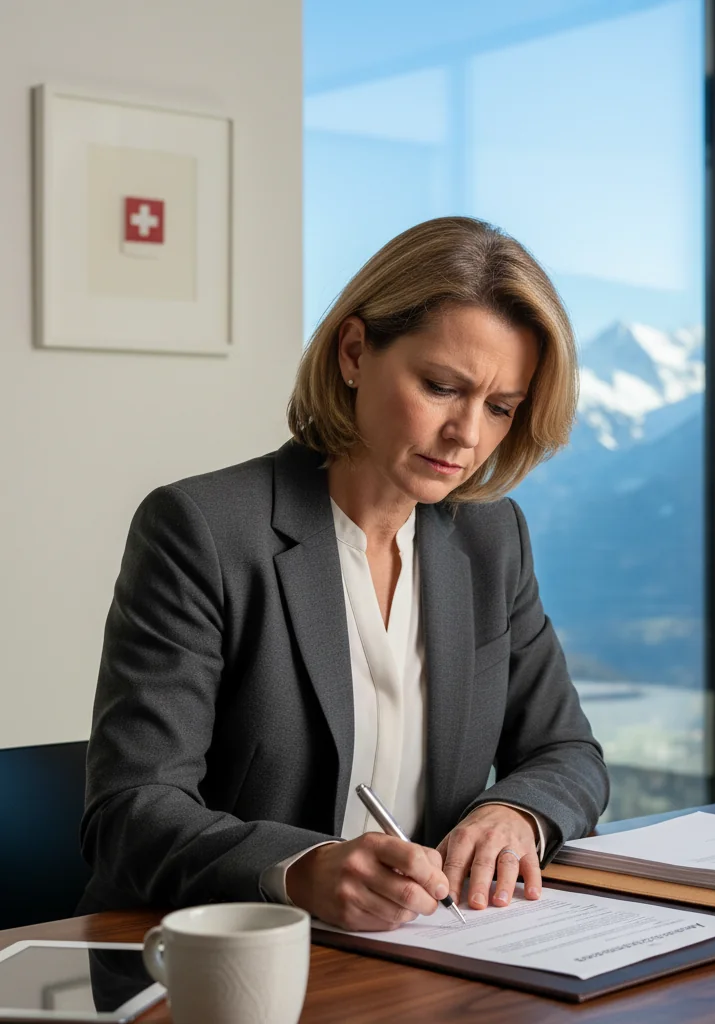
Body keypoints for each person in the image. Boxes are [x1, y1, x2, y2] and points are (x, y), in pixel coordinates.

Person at [79, 216, 609, 931]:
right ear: (354, 352)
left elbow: (566, 751)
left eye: (501, 408)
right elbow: (131, 813)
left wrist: (516, 812)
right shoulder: (201, 529)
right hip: (217, 959)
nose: (469, 435)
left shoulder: (493, 538)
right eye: (442, 387)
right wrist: (299, 870)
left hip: (428, 951)